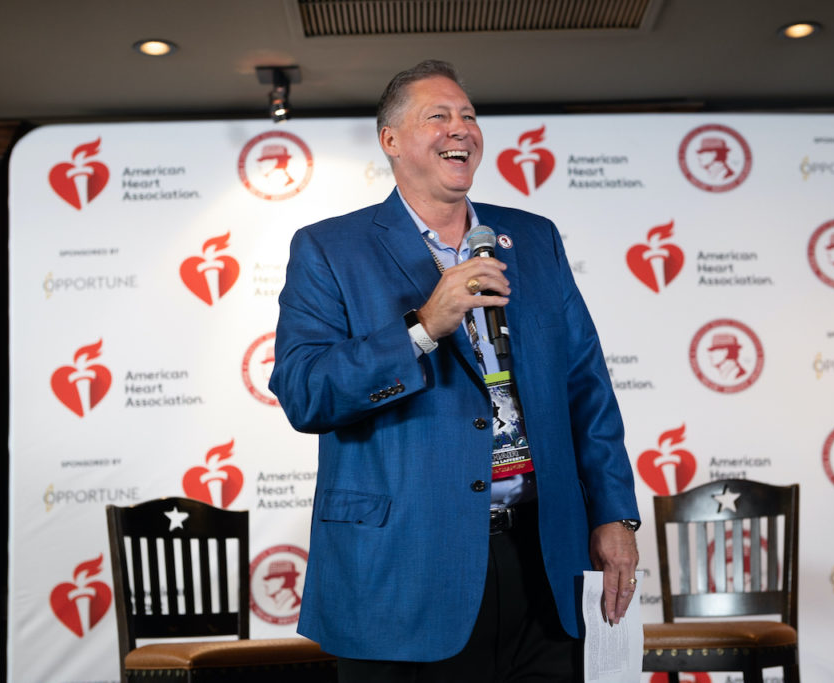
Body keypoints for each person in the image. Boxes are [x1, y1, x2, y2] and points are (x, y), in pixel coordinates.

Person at [269, 59, 639, 682]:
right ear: (389, 141)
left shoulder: (533, 237)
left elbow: (586, 387)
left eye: (468, 115)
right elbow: (307, 393)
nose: (459, 128)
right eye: (437, 116)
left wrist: (614, 514)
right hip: (403, 570)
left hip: (545, 560)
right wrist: (423, 327)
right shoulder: (328, 248)